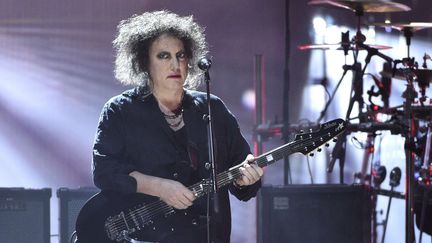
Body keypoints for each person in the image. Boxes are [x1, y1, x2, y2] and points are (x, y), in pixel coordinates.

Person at [92, 10, 263, 243]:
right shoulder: (121, 110)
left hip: (208, 235)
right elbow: (105, 172)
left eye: (181, 55)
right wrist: (159, 187)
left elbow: (241, 174)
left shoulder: (213, 109)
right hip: (145, 237)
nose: (175, 64)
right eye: (164, 56)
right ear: (144, 63)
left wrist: (247, 179)